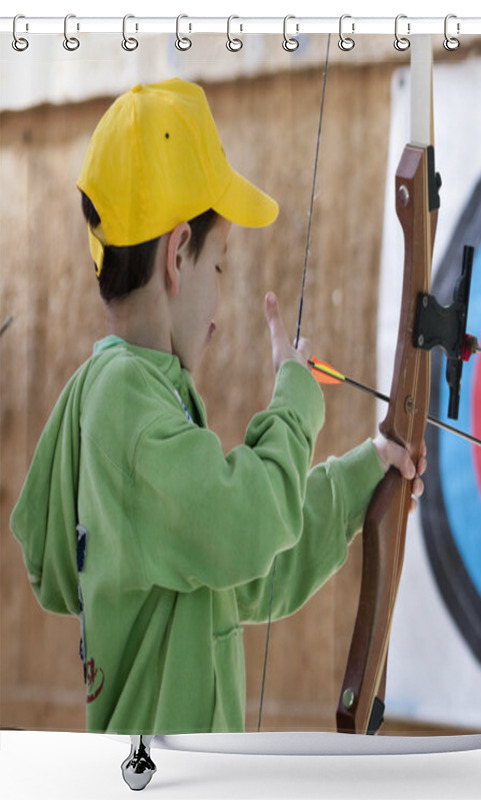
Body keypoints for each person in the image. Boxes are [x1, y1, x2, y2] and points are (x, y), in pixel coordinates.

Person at [10, 78, 424, 734]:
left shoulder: (142, 404)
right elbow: (245, 528)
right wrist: (292, 403)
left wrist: (362, 479)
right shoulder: (123, 399)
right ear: (177, 255)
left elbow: (256, 567)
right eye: (220, 267)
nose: (220, 306)